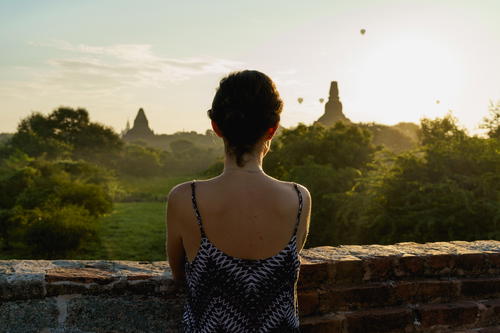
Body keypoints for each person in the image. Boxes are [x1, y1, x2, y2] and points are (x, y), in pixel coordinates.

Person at [166, 70, 312, 332]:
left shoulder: (185, 198)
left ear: (216, 127)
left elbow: (180, 276)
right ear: (272, 129)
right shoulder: (299, 198)